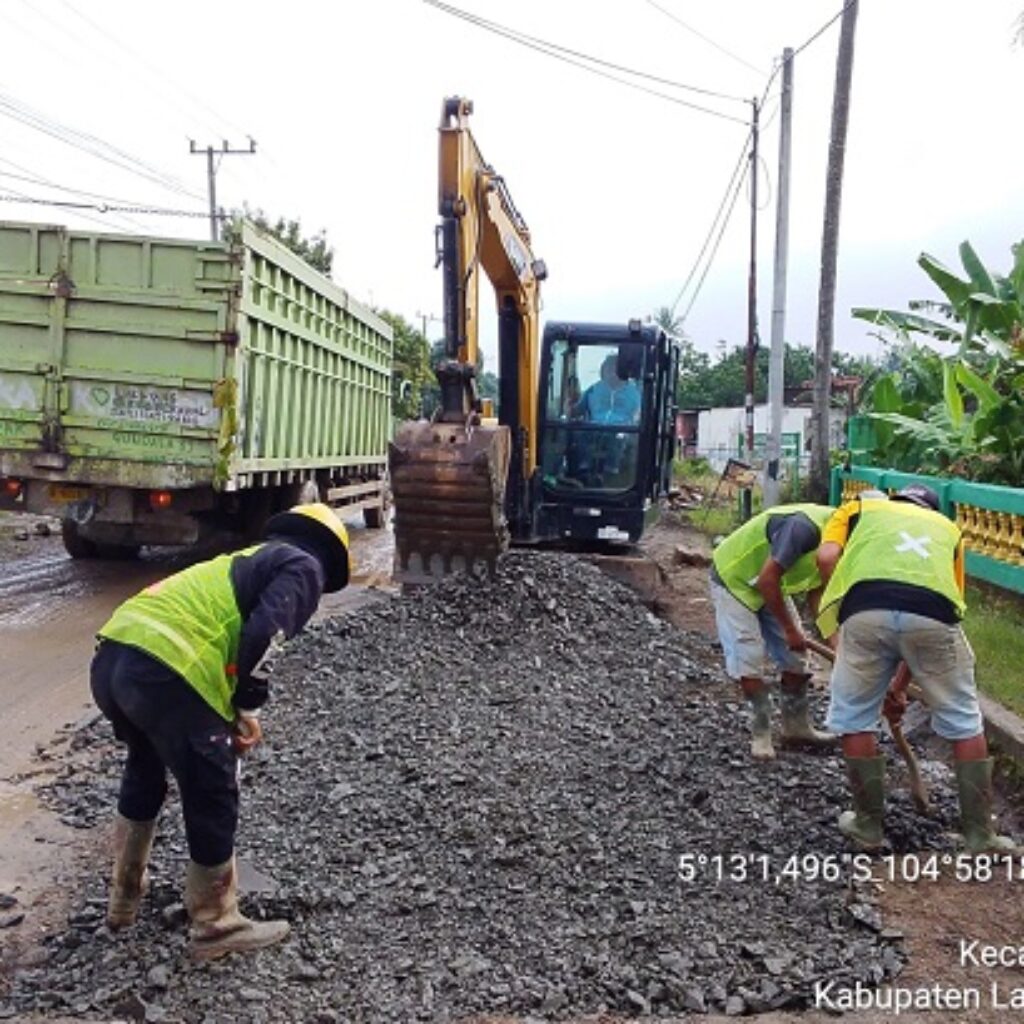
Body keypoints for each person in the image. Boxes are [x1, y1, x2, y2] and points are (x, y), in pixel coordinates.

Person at [90, 502, 352, 959]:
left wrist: (231, 710)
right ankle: (217, 923)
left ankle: (123, 900)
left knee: (146, 767)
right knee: (212, 786)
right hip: (166, 668)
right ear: (330, 560)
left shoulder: (240, 562)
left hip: (116, 656)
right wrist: (247, 706)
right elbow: (263, 636)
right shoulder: (304, 565)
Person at [816, 483, 1015, 853]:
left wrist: (845, 603)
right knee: (964, 719)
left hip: (865, 607)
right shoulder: (948, 530)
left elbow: (827, 558)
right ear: (933, 510)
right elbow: (934, 605)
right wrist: (899, 683)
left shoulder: (862, 509)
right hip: (934, 616)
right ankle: (980, 836)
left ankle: (867, 827)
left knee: (855, 716)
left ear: (895, 501)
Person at [710, 503, 837, 760]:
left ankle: (796, 728)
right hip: (735, 579)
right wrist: (790, 630)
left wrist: (836, 645)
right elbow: (768, 579)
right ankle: (761, 733)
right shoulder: (804, 528)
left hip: (770, 584)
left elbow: (817, 591)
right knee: (750, 657)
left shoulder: (840, 542)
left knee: (797, 660)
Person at [575, 354, 641, 426]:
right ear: (603, 371)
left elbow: (639, 419)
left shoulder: (636, 393)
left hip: (623, 433)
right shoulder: (592, 390)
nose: (611, 373)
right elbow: (577, 412)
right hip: (594, 431)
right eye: (608, 369)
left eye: (614, 369)